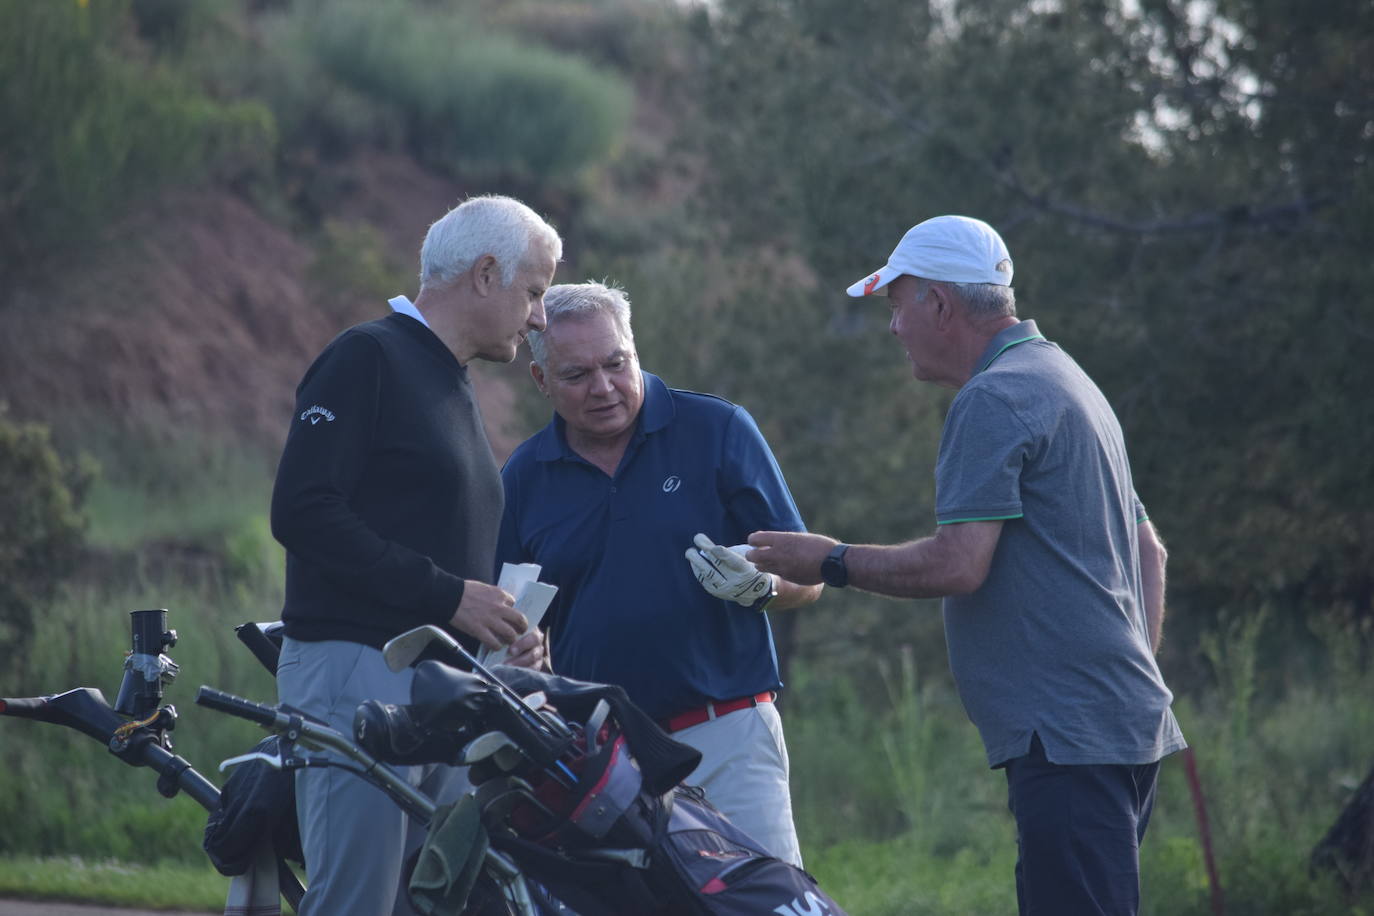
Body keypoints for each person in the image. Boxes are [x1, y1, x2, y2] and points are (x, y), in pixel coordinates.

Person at [747, 215, 1186, 915]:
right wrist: (1127, 680)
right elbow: (1149, 551)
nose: (893, 328)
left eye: (895, 305)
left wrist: (827, 560)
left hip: (1067, 741)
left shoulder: (994, 397)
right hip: (1116, 725)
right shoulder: (1066, 377)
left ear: (939, 305)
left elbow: (959, 565)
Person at [269, 194, 561, 915]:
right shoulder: (366, 356)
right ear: (486, 275)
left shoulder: (447, 380)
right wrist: (449, 597)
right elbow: (303, 511)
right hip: (356, 672)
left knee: (425, 903)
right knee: (355, 904)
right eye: (535, 291)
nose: (540, 317)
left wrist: (500, 630)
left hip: (436, 688)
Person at [495, 281, 822, 867]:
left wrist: (766, 587)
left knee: (761, 900)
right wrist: (520, 647)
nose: (604, 388)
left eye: (616, 364)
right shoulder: (524, 476)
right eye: (576, 375)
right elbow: (513, 613)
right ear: (541, 381)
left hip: (728, 734)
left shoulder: (717, 430)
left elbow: (811, 575)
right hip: (604, 753)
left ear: (634, 349)